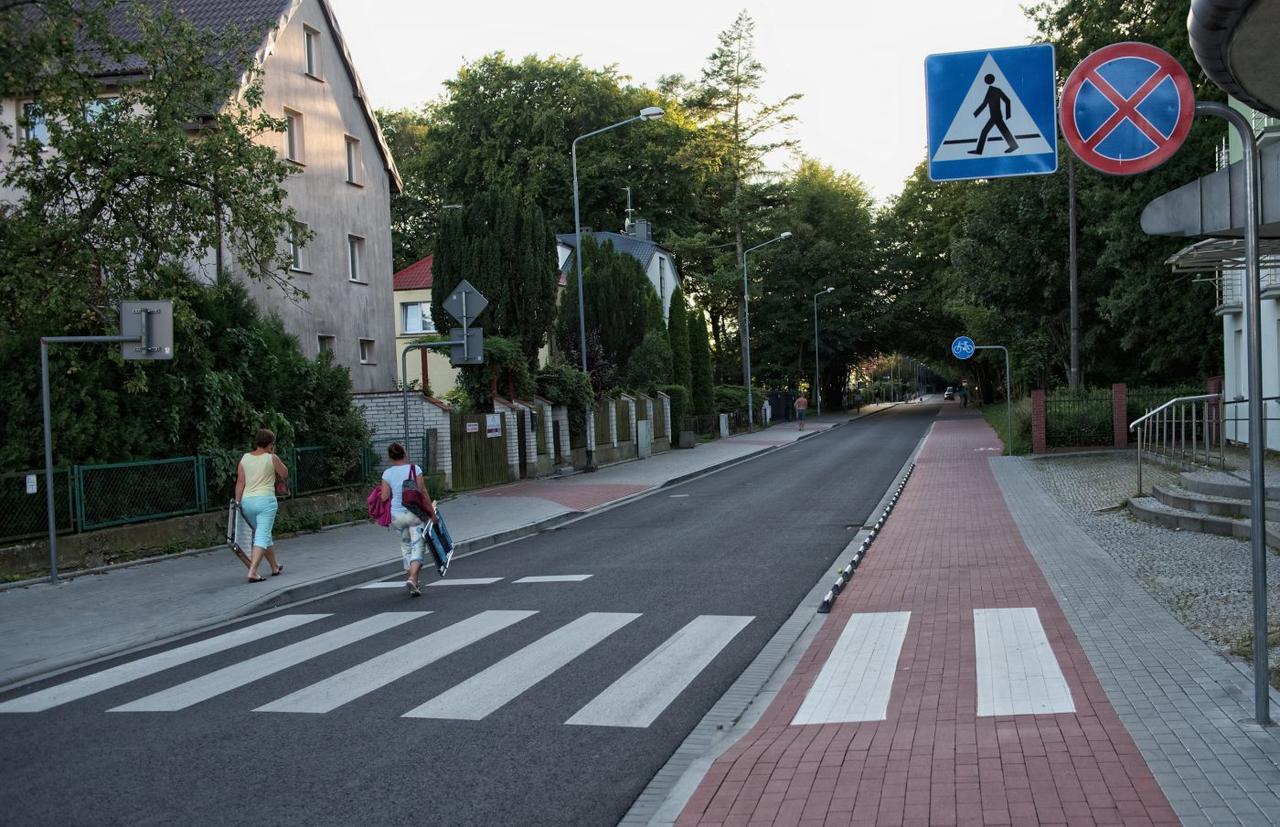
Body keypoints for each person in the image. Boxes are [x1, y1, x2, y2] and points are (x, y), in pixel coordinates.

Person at [380, 442, 434, 596]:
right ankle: (413, 578)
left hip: (396, 515)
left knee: (406, 547)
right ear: (404, 453)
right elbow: (422, 492)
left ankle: (414, 582)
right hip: (414, 513)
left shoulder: (387, 474)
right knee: (418, 546)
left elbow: (384, 497)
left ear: (390, 457)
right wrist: (431, 512)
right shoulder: (414, 469)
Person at [234, 428, 287, 583]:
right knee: (262, 535)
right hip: (266, 502)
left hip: (248, 502)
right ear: (270, 444)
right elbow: (284, 473)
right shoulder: (272, 458)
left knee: (263, 534)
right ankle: (253, 571)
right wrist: (273, 455)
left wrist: (237, 503)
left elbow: (240, 482)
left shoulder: (245, 458)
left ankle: (274, 566)